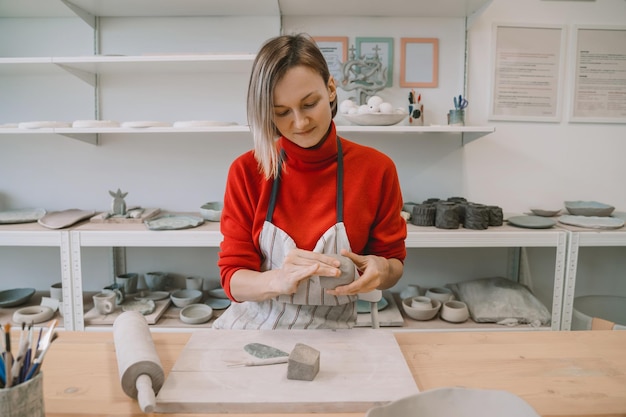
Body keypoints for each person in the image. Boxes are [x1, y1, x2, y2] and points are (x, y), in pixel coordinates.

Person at [213, 33, 406, 330]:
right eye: (282, 113)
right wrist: (278, 278)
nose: (300, 123)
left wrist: (383, 269)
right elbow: (232, 279)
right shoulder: (247, 171)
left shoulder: (377, 170)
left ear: (330, 89)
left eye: (309, 104)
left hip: (336, 335)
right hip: (253, 328)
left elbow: (393, 264)